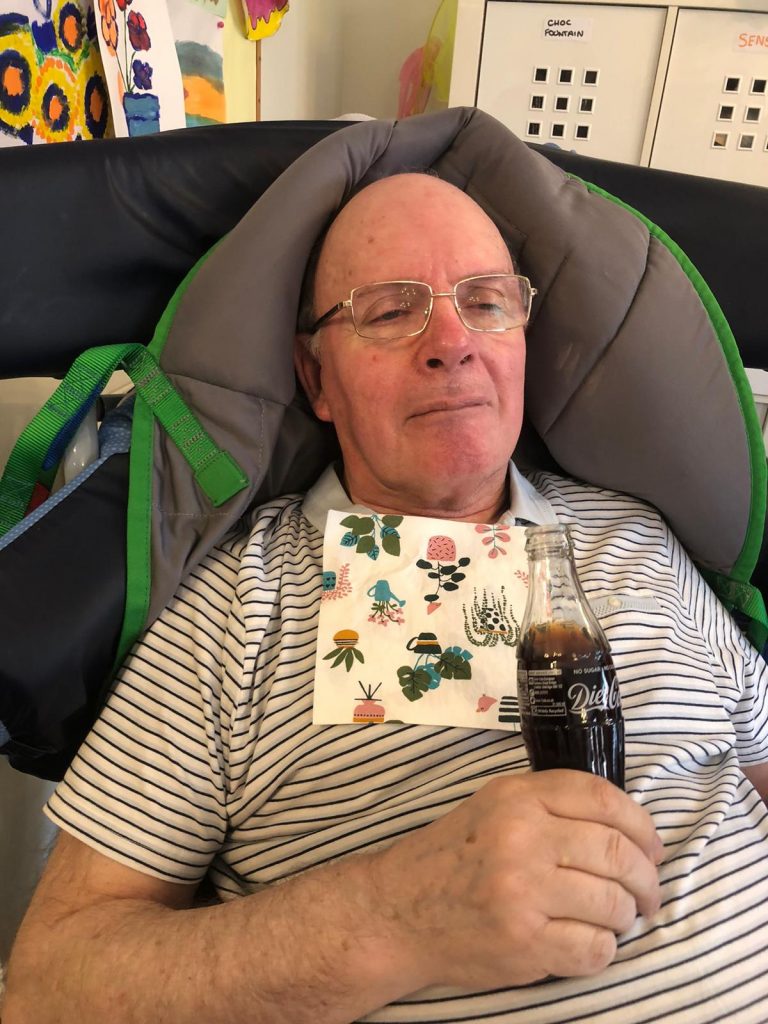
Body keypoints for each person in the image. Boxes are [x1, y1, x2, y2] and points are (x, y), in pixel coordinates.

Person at [4, 173, 768, 1024]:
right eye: (390, 310)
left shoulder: (639, 538)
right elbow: (46, 986)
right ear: (316, 378)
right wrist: (394, 915)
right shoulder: (235, 608)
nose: (452, 343)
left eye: (486, 302)